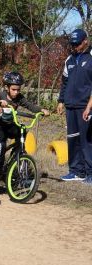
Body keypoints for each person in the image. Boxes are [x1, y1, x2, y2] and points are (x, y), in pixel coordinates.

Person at [0, 71, 50, 181]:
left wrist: (41, 110)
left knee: (22, 132)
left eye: (18, 89)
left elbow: (30, 106)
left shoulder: (19, 98)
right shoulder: (1, 95)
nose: (16, 92)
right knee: (1, 145)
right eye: (13, 89)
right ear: (7, 87)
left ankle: (13, 160)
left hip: (9, 125)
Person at [57, 28, 92, 183]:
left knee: (87, 140)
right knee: (73, 139)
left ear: (86, 41)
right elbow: (64, 83)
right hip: (70, 106)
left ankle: (90, 172)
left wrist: (89, 106)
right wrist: (60, 101)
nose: (75, 47)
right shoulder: (69, 60)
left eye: (77, 44)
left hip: (86, 106)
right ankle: (76, 171)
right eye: (73, 44)